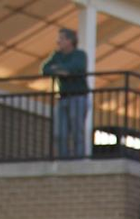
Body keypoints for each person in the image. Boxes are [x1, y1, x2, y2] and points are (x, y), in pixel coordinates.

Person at [41, 28, 89, 160]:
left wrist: (58, 69)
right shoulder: (57, 55)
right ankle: (63, 160)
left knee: (77, 132)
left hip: (78, 98)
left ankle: (79, 160)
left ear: (70, 41)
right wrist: (61, 71)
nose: (58, 42)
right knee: (60, 133)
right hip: (63, 98)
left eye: (61, 38)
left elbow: (74, 69)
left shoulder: (80, 55)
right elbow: (45, 69)